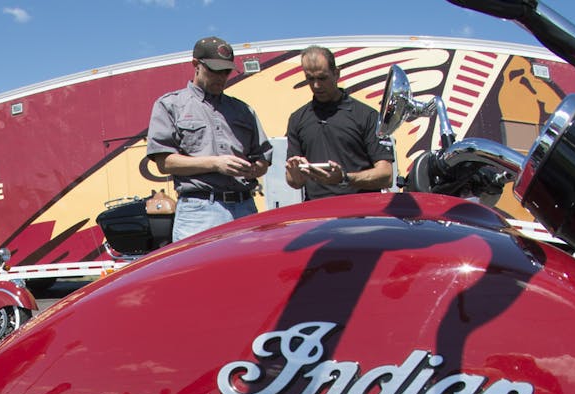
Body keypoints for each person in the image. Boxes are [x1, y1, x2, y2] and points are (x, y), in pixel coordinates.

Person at [146, 37, 272, 241]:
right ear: (196, 64)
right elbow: (165, 162)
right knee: (197, 273)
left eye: (226, 71)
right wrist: (215, 163)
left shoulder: (243, 110)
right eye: (214, 70)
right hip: (199, 211)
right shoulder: (171, 105)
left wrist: (255, 168)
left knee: (248, 272)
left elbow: (262, 158)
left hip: (244, 206)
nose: (221, 77)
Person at [283, 46, 395, 201]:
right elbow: (294, 181)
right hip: (317, 213)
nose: (316, 85)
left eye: (322, 78)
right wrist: (295, 174)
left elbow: (386, 175)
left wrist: (344, 178)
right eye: (310, 78)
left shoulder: (366, 115)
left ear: (336, 74)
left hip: (361, 212)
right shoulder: (298, 119)